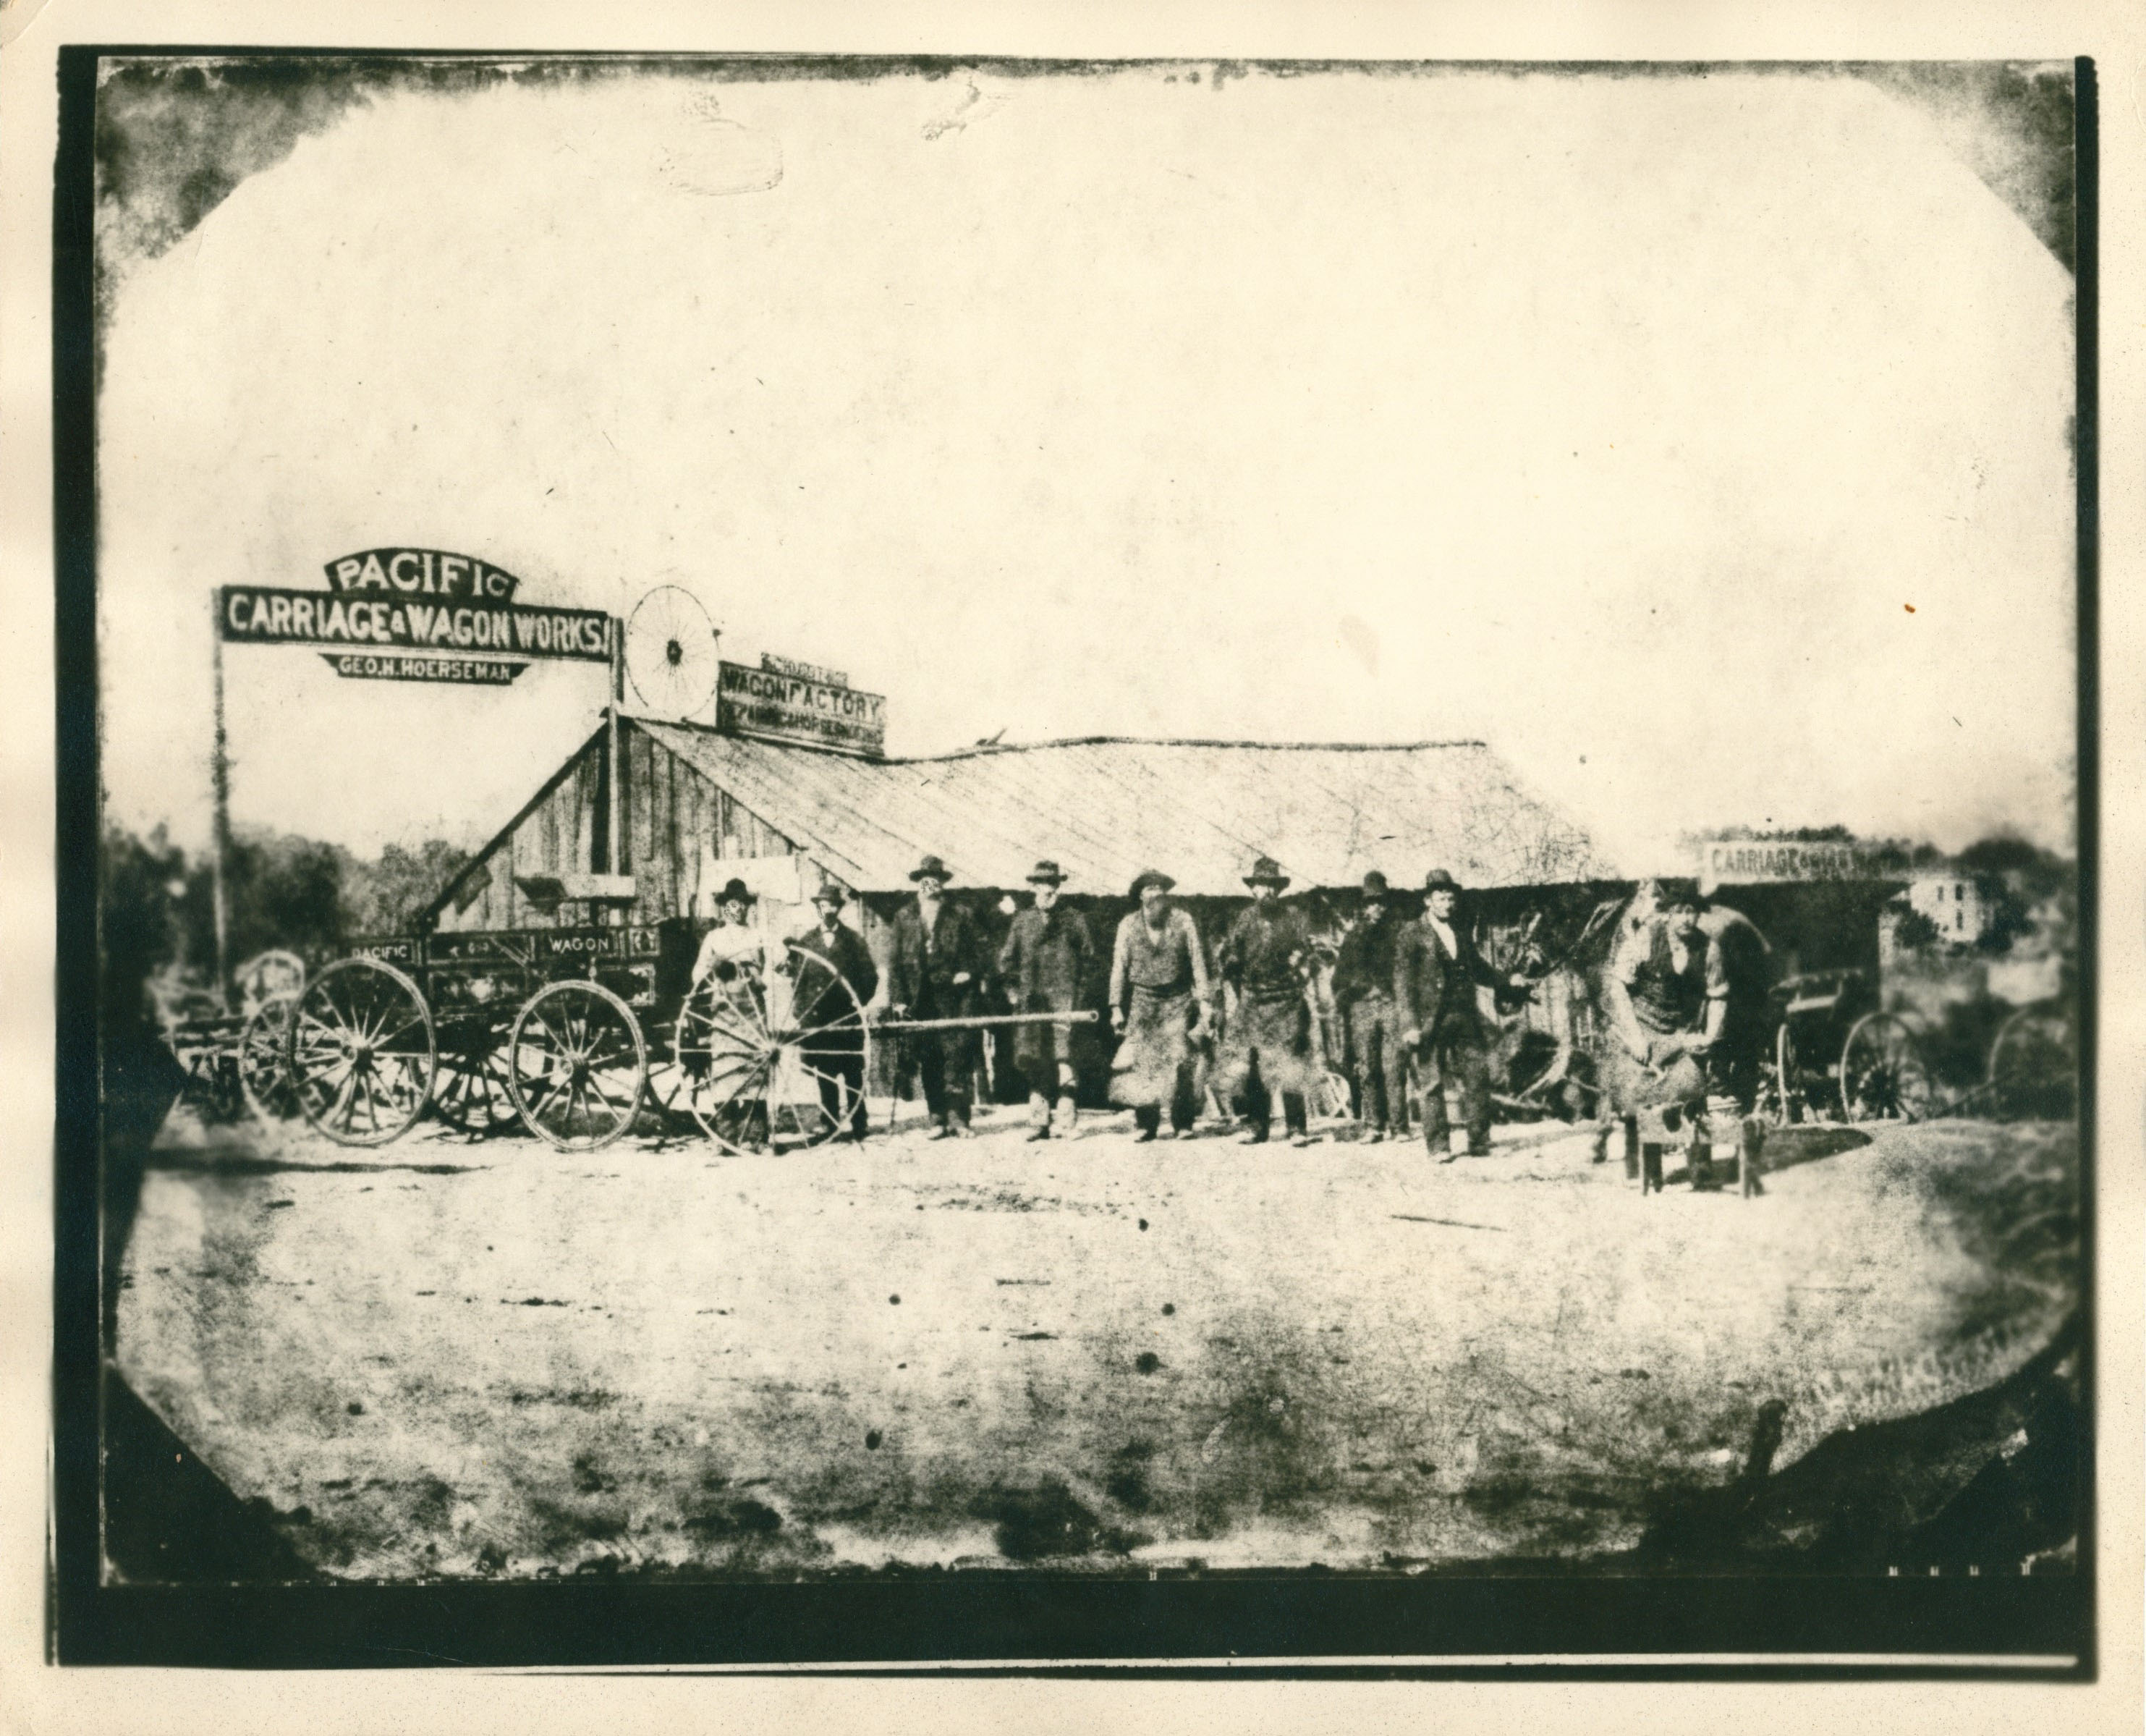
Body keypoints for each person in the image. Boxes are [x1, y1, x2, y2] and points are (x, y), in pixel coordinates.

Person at [1590, 884, 1728, 1168]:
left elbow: (1718, 996)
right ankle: (1647, 1162)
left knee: (1692, 1083)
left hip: (1681, 1034)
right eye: (1680, 912)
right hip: (1642, 1031)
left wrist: (1711, 1036)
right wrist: (1636, 1037)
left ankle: (1699, 1165)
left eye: (1692, 912)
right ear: (1668, 914)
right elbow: (1617, 987)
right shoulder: (1646, 939)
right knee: (1638, 1093)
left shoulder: (1709, 949)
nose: (1687, 919)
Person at [1397, 868, 1530, 1161]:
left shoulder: (1459, 929)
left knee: (1477, 1077)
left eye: (1450, 899)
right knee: (1431, 1085)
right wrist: (1409, 1024)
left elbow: (1478, 968)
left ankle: (1479, 1142)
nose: (1448, 904)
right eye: (1441, 899)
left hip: (1464, 1016)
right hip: (1429, 1022)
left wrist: (1507, 981)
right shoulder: (1411, 933)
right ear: (1428, 901)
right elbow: (1403, 983)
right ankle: (1439, 1147)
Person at [1215, 855, 1320, 1146]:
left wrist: (1300, 970)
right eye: (1262, 886)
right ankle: (1257, 1127)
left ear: (1279, 890)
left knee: (1291, 1065)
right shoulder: (1245, 919)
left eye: (1273, 886)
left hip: (1286, 1000)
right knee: (1253, 1067)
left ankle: (1297, 1128)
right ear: (1253, 890)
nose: (1268, 892)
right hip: (1254, 1002)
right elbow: (1231, 962)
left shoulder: (1293, 918)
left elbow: (1308, 958)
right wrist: (1240, 991)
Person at [885, 854, 985, 1139]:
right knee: (929, 1058)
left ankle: (960, 1120)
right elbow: (894, 962)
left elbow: (982, 950)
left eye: (935, 880)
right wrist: (899, 998)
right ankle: (937, 1119)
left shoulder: (961, 914)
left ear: (942, 884)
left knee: (957, 1056)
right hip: (920, 997)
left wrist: (970, 972)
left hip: (955, 996)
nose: (930, 885)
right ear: (918, 884)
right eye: (924, 880)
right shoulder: (904, 917)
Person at [1108, 869, 1212, 1142]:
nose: (1155, 894)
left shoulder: (1183, 921)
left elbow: (1197, 961)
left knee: (1180, 1063)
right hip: (1143, 1001)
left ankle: (1183, 1123)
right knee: (1143, 1063)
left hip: (1178, 1000)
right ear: (1140, 895)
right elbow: (1119, 967)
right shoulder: (1128, 925)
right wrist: (1116, 1006)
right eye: (1149, 889)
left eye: (1159, 889)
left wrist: (1204, 1001)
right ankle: (1146, 1124)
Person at [996, 860, 1095, 1142]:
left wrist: (1079, 997)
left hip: (1066, 1002)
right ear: (1033, 888)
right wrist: (1014, 994)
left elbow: (1090, 962)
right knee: (1035, 1062)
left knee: (1066, 1062)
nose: (1047, 890)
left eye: (1052, 884)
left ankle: (1065, 1123)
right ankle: (1038, 1122)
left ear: (1059, 887)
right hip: (1032, 1003)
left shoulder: (1074, 919)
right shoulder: (1023, 921)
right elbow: (1006, 962)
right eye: (1042, 885)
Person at [784, 879, 878, 1143]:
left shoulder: (853, 940)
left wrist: (856, 1002)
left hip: (845, 1015)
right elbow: (798, 981)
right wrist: (803, 1012)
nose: (828, 910)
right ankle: (830, 1123)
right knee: (824, 1072)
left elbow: (870, 977)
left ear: (839, 909)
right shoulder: (808, 941)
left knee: (851, 1073)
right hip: (819, 1018)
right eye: (823, 905)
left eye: (832, 906)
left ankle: (859, 1123)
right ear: (818, 909)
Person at [1331, 870, 1407, 1143]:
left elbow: (1409, 973)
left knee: (1394, 1067)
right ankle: (1374, 1125)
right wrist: (1349, 995)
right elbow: (1338, 979)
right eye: (1371, 902)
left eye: (1381, 902)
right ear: (1364, 906)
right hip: (1362, 1008)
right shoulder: (1353, 938)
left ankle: (1400, 1127)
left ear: (1387, 904)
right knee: (1368, 1068)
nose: (1376, 908)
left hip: (1392, 1006)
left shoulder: (1400, 935)